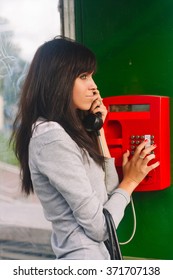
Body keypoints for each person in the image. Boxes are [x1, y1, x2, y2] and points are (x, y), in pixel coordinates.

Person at [11, 36, 160, 260]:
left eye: (91, 76)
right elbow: (100, 228)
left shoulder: (66, 133)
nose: (94, 86)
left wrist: (97, 129)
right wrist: (131, 181)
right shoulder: (51, 137)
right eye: (83, 76)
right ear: (58, 79)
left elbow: (108, 191)